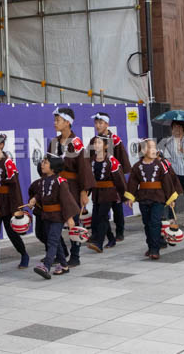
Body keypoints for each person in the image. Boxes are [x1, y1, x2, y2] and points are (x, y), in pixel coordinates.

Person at [46, 107, 95, 266]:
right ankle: (60, 252)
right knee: (52, 221)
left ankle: (75, 255)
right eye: (54, 120)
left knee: (74, 222)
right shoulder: (54, 143)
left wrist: (84, 191)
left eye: (58, 120)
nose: (54, 123)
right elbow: (47, 166)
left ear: (67, 122)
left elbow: (84, 168)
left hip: (72, 188)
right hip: (55, 187)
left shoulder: (77, 143)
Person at [125, 139, 179, 260]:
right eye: (151, 148)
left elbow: (166, 182)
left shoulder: (160, 165)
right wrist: (130, 197)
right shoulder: (137, 166)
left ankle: (155, 249)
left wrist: (171, 198)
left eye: (155, 148)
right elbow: (133, 182)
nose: (155, 150)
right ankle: (150, 246)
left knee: (155, 222)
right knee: (147, 223)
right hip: (144, 197)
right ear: (143, 150)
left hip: (158, 198)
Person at [27, 154, 79, 279]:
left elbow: (67, 201)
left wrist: (70, 218)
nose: (42, 164)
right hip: (46, 215)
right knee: (56, 242)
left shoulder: (61, 182)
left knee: (52, 240)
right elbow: (41, 194)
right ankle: (64, 265)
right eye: (43, 162)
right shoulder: (43, 180)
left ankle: (46, 266)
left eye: (45, 162)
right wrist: (34, 199)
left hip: (57, 216)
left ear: (53, 167)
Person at [0, 133, 31, 272]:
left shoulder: (8, 163)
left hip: (7, 203)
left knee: (12, 232)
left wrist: (16, 208)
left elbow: (15, 186)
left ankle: (24, 254)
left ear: (1, 145)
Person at [92, 111, 130, 242]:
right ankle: (100, 233)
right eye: (96, 123)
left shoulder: (115, 140)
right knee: (99, 209)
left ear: (107, 124)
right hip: (99, 180)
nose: (98, 125)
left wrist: (119, 178)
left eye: (100, 123)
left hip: (113, 178)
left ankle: (120, 232)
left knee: (117, 207)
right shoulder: (95, 140)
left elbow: (122, 158)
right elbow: (89, 157)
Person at [85, 135, 126, 254]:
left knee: (102, 216)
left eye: (99, 143)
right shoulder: (91, 160)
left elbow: (120, 179)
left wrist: (124, 195)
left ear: (106, 146)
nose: (96, 145)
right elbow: (89, 179)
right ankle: (111, 238)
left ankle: (99, 243)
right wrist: (87, 192)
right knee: (99, 216)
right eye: (95, 143)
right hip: (97, 193)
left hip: (109, 192)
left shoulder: (112, 160)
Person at [160, 120, 184, 226]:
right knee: (172, 196)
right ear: (172, 128)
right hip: (174, 173)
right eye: (175, 127)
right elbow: (166, 157)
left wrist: (182, 149)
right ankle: (172, 217)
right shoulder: (167, 141)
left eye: (180, 127)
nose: (177, 129)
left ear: (183, 129)